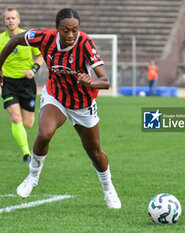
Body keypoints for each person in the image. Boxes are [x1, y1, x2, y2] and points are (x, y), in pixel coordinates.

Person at [0, 8, 121, 208]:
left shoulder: (85, 43)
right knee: (44, 133)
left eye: (75, 30)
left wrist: (90, 81)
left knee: (94, 151)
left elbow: (105, 80)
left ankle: (109, 189)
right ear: (57, 29)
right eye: (66, 30)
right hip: (56, 96)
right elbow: (14, 40)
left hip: (83, 103)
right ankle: (32, 176)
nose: (71, 35)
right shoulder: (44, 38)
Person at [0, 7, 44, 162]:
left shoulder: (28, 37)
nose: (10, 21)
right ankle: (26, 153)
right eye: (7, 18)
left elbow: (40, 57)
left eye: (13, 18)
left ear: (18, 20)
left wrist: (33, 69)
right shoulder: (0, 40)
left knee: (28, 123)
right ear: (4, 20)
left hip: (26, 83)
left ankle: (25, 144)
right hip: (8, 83)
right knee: (15, 117)